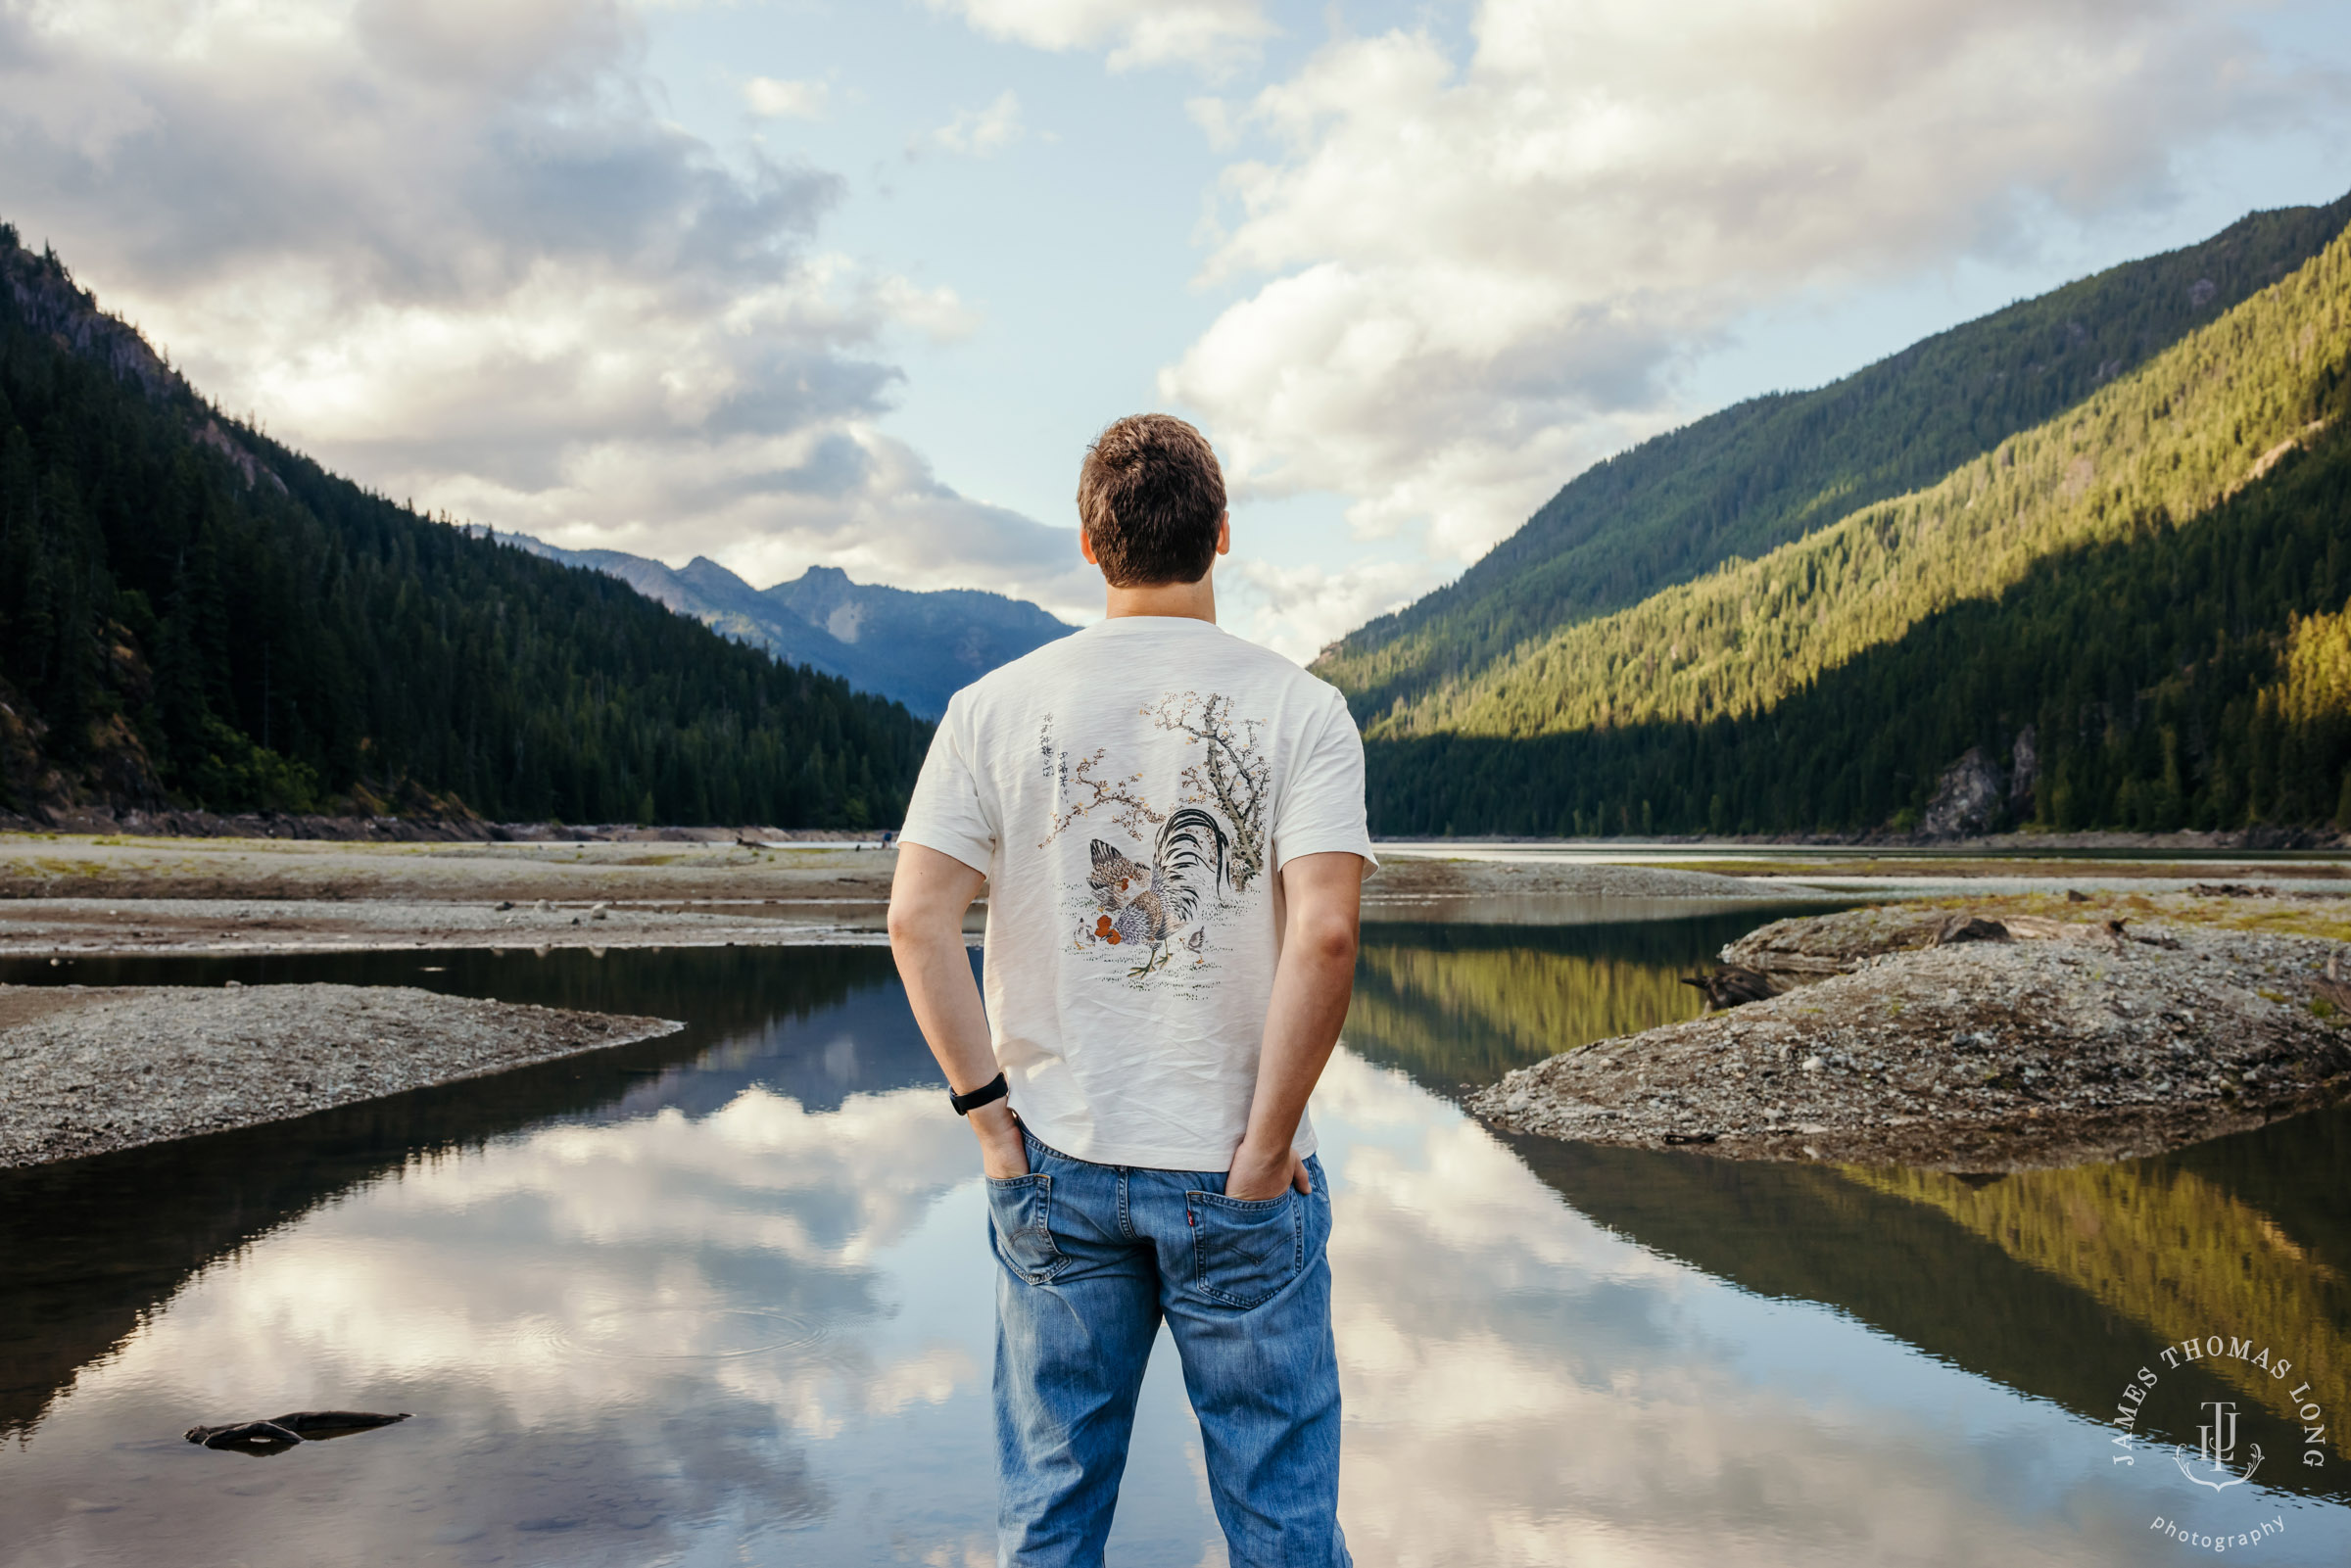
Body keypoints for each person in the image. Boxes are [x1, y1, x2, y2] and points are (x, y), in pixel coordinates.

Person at [888, 413, 1374, 1567]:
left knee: (1051, 1520)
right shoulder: (1303, 708)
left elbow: (916, 920)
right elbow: (1328, 936)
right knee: (1284, 1524)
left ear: (1090, 546)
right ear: (1218, 535)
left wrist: (992, 1122)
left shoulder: (990, 710)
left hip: (1057, 1163)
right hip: (1243, 1172)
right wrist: (1261, 1154)